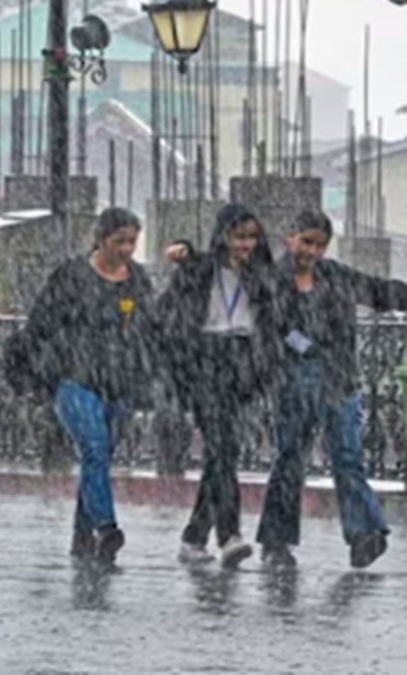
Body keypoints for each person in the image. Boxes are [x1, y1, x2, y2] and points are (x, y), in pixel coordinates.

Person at [254, 210, 407, 570]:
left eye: (319, 245)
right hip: (294, 381)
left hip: (338, 378)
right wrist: (305, 348)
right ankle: (276, 540)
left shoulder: (335, 276)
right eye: (306, 242)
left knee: (348, 457)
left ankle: (365, 535)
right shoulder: (272, 281)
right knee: (290, 459)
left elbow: (375, 290)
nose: (311, 251)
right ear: (290, 238)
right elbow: (272, 328)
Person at [23, 207, 158, 565]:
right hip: (75, 379)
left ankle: (82, 539)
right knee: (94, 449)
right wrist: (35, 374)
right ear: (101, 238)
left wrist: (149, 376)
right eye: (120, 241)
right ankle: (105, 526)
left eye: (132, 241)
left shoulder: (138, 280)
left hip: (120, 384)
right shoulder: (71, 276)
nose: (126, 249)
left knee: (97, 461)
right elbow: (40, 323)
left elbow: (150, 331)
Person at [157, 204, 281, 569]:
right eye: (239, 237)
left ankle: (194, 537)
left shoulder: (261, 275)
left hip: (242, 364)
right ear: (224, 236)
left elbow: (274, 320)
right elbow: (170, 313)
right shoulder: (199, 269)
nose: (246, 245)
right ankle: (229, 535)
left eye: (252, 238)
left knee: (222, 453)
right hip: (205, 363)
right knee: (223, 447)